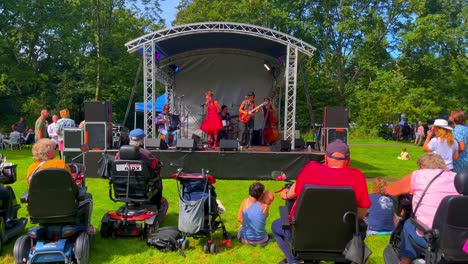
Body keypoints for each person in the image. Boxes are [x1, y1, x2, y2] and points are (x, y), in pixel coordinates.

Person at [271, 139, 370, 264]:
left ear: (326, 158)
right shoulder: (358, 176)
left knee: (276, 226)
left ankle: (295, 262)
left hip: (307, 239)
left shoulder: (311, 169)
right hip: (343, 240)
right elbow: (361, 214)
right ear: (348, 161)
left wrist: (285, 193)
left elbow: (292, 193)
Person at [380, 153, 459, 264]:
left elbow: (392, 189)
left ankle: (405, 261)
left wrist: (384, 190)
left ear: (422, 166)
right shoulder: (456, 177)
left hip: (432, 238)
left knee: (409, 224)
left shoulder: (418, 175)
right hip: (459, 239)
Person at [26, 139, 96, 233]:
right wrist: (78, 187)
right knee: (88, 197)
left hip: (40, 210)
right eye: (55, 148)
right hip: (65, 208)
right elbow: (73, 189)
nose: (56, 150)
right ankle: (87, 226)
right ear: (49, 151)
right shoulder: (60, 164)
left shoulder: (31, 169)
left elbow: (32, 189)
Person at [115, 129, 163, 208]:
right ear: (142, 140)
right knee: (158, 180)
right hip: (141, 187)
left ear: (130, 139)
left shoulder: (119, 154)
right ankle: (156, 205)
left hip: (123, 187)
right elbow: (156, 165)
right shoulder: (146, 154)